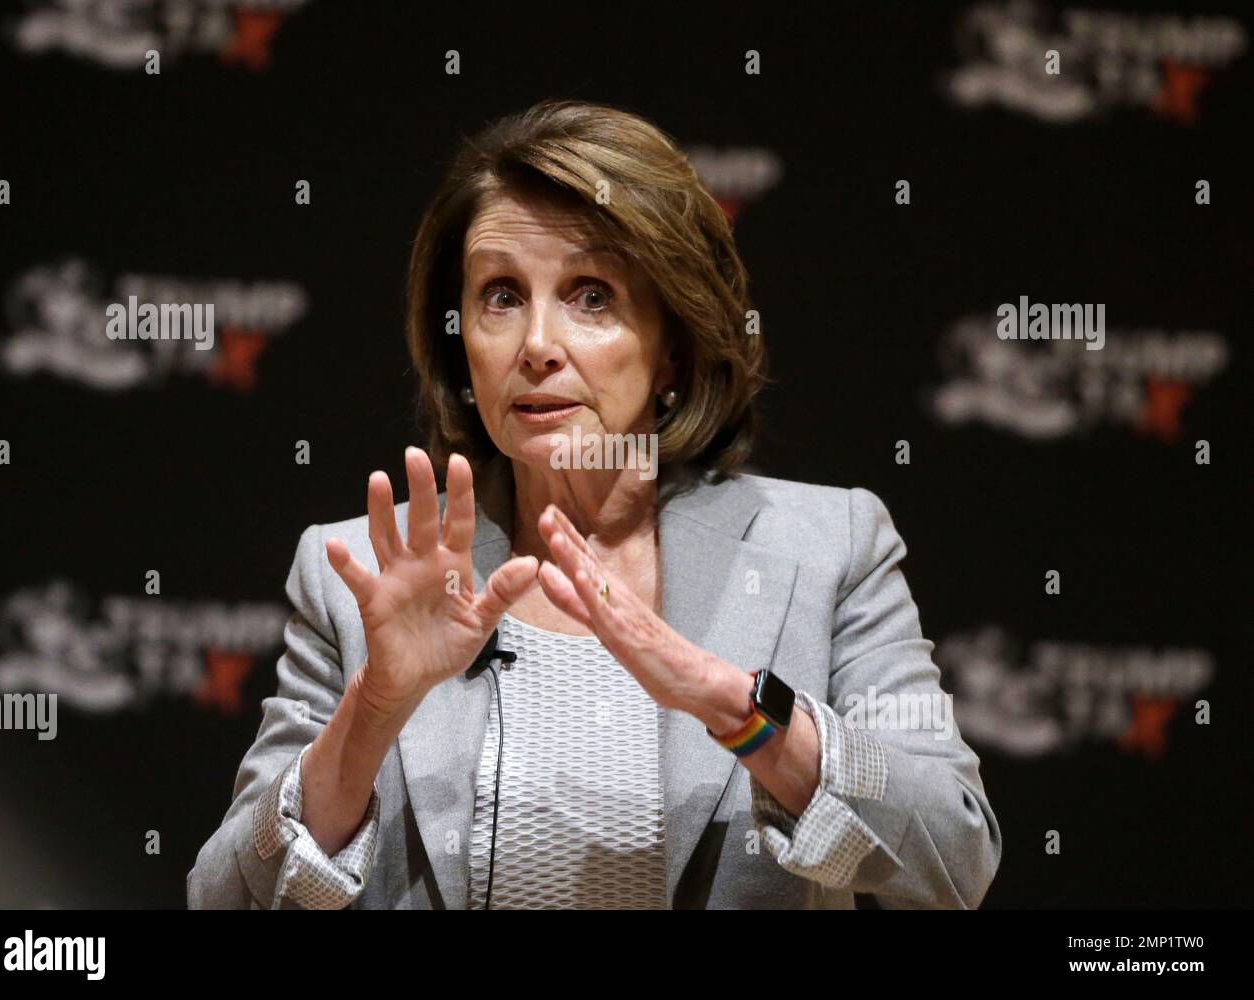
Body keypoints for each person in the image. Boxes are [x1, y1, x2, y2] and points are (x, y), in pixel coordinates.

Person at [187, 99, 1002, 910]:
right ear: (459, 343)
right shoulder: (357, 572)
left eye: (591, 296)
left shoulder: (826, 549)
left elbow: (955, 856)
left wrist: (735, 709)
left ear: (672, 345)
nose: (537, 344)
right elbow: (223, 899)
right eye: (501, 296)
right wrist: (372, 713)